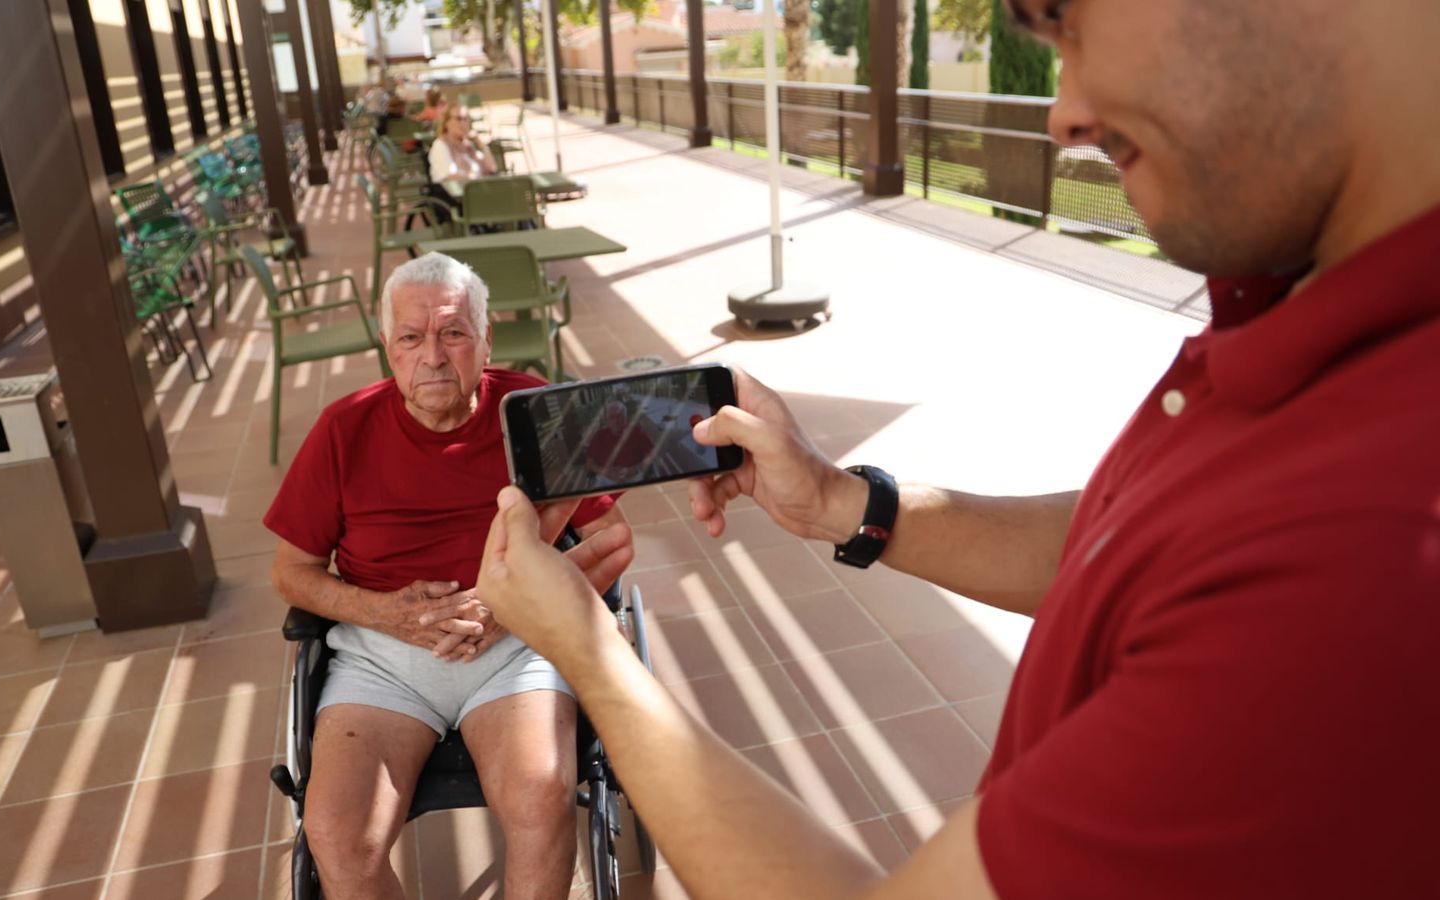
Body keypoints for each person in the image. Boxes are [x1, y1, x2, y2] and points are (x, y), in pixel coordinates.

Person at [472, 1, 1440, 898]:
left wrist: (589, 656)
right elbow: (1128, 540)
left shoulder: (1358, 562)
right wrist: (845, 502)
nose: (1061, 113)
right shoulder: (1307, 300)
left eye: (1066, 18)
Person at [264, 253, 634, 900]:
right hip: (382, 658)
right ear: (388, 348)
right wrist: (386, 613)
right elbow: (291, 573)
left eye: (453, 333)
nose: (432, 356)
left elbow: (612, 538)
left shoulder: (534, 409)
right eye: (411, 337)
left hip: (516, 647)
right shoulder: (344, 429)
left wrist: (514, 604)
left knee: (542, 796)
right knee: (335, 830)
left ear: (486, 341)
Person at [428, 104, 497, 184]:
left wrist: (482, 145)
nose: (463, 123)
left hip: (480, 189)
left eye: (466, 119)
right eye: (458, 119)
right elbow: (451, 176)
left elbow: (492, 169)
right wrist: (477, 180)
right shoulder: (440, 145)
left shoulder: (469, 146)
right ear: (446, 123)